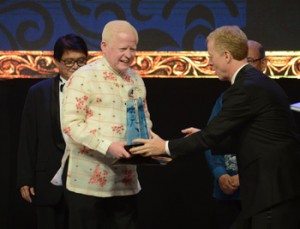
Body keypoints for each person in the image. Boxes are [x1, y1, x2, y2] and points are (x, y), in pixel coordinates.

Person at [130, 25, 300, 229]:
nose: (210, 63)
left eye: (211, 56)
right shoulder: (253, 83)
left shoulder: (245, 89)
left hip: (272, 192)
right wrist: (204, 136)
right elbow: (251, 137)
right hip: (270, 191)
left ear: (227, 56)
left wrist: (165, 147)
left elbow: (211, 136)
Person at [60, 20, 152, 229]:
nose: (128, 54)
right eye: (122, 48)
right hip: (87, 183)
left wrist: (152, 143)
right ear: (104, 46)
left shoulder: (136, 79)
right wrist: (108, 146)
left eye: (133, 49)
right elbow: (71, 125)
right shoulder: (84, 77)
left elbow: (144, 119)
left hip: (125, 182)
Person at [17, 33, 88, 229]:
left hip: (86, 178)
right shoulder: (38, 92)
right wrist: (25, 178)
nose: (75, 67)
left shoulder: (97, 91)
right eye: (69, 62)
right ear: (56, 61)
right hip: (47, 177)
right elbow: (28, 137)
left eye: (81, 61)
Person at [204, 39, 267, 229]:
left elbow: (269, 148)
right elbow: (211, 136)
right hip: (225, 193)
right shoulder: (227, 98)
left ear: (263, 64)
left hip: (257, 193)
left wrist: (242, 177)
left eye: (249, 60)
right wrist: (220, 174)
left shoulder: (268, 96)